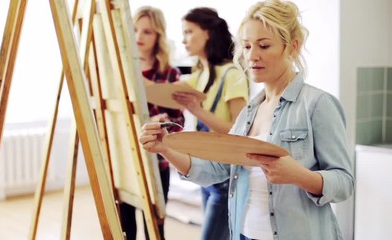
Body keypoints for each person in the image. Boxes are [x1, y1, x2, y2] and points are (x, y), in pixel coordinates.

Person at [139, 1, 355, 240]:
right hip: (243, 234)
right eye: (247, 46)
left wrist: (298, 175)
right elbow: (217, 169)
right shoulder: (249, 111)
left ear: (292, 46)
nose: (252, 56)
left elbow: (344, 182)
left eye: (264, 45)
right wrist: (165, 148)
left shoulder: (317, 104)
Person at [171, 7, 248, 240]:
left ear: (207, 34)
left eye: (189, 32)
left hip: (224, 177)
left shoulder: (232, 74)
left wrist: (197, 109)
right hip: (205, 172)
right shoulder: (198, 74)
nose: (184, 40)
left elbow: (238, 131)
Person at [119, 6, 184, 240]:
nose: (138, 37)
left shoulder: (170, 74)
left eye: (147, 31)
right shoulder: (119, 71)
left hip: (157, 162)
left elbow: (178, 122)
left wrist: (162, 122)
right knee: (125, 227)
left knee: (155, 229)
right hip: (124, 160)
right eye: (135, 30)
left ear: (158, 35)